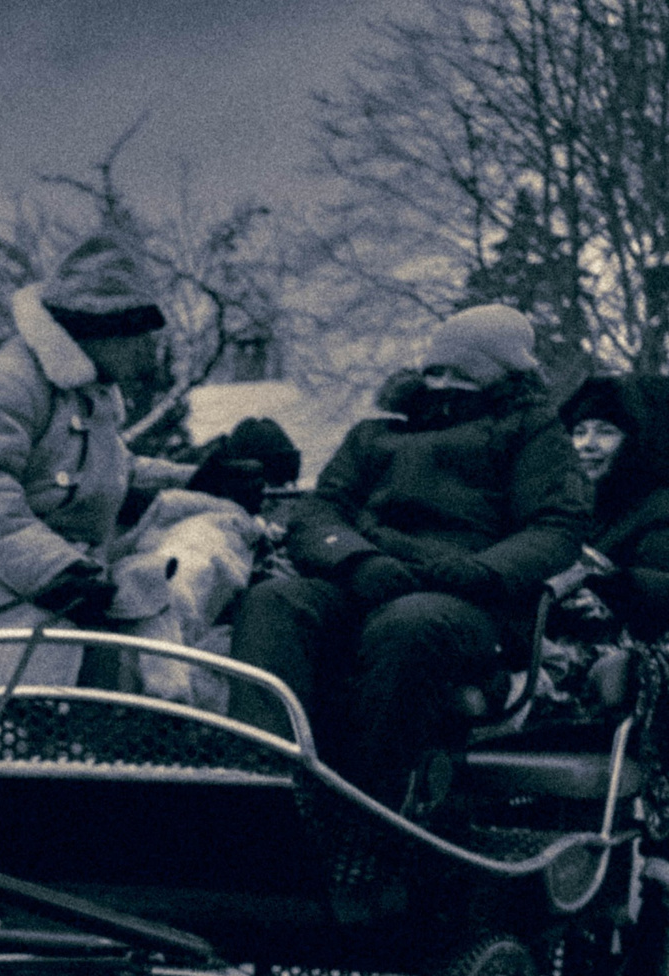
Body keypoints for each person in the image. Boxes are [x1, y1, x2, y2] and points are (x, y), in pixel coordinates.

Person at [227, 303, 589, 811]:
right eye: (434, 370)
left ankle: (373, 804)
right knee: (275, 602)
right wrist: (355, 561)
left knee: (409, 626)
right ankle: (257, 784)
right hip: (367, 576)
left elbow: (556, 525)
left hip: (467, 598)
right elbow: (319, 511)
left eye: (462, 373)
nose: (442, 383)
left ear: (501, 374)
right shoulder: (378, 434)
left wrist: (482, 571)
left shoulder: (531, 433)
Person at [0, 235, 205, 692]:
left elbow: (115, 469)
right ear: (99, 330)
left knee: (163, 603)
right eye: (138, 338)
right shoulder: (8, 386)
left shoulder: (88, 393)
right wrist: (53, 570)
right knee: (100, 673)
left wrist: (200, 478)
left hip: (67, 585)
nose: (146, 353)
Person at [556, 372, 669, 636]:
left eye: (606, 432)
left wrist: (611, 597)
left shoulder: (659, 510)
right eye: (579, 432)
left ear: (635, 442)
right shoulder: (565, 504)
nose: (586, 445)